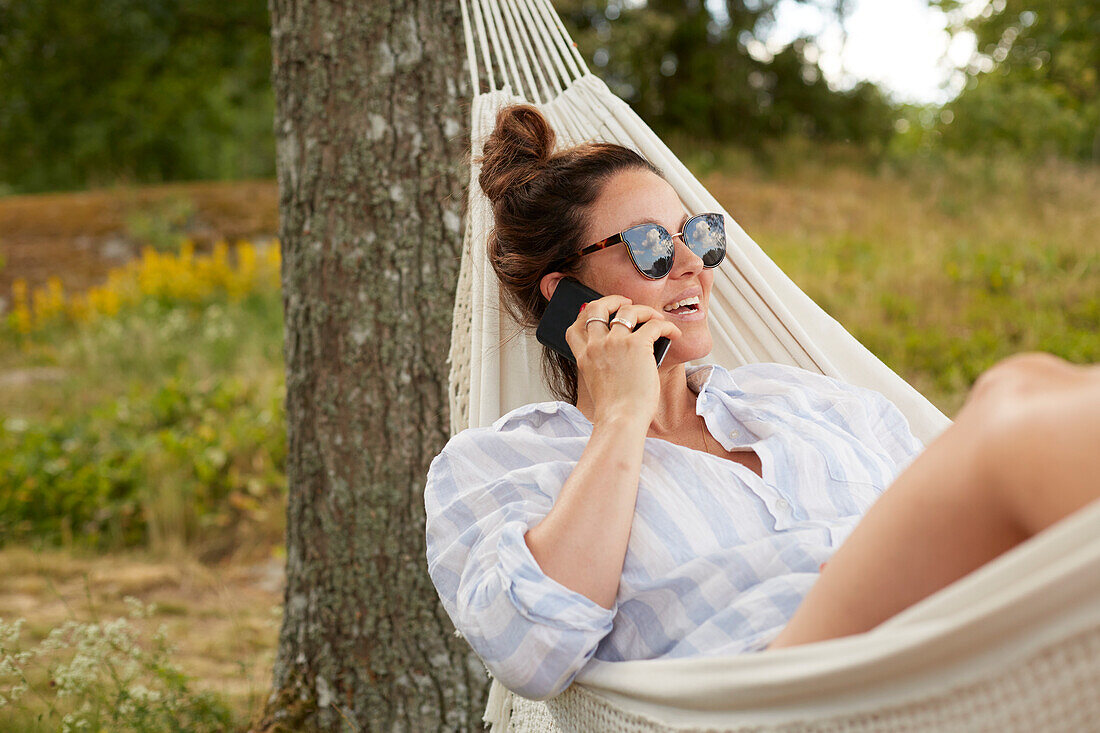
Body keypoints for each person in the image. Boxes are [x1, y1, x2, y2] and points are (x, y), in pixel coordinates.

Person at [423, 104, 1100, 701]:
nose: (692, 263)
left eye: (698, 233)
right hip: (783, 697)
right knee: (1010, 407)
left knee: (1035, 383)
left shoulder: (806, 400)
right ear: (565, 293)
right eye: (652, 246)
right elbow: (531, 650)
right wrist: (621, 415)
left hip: (951, 644)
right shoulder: (503, 463)